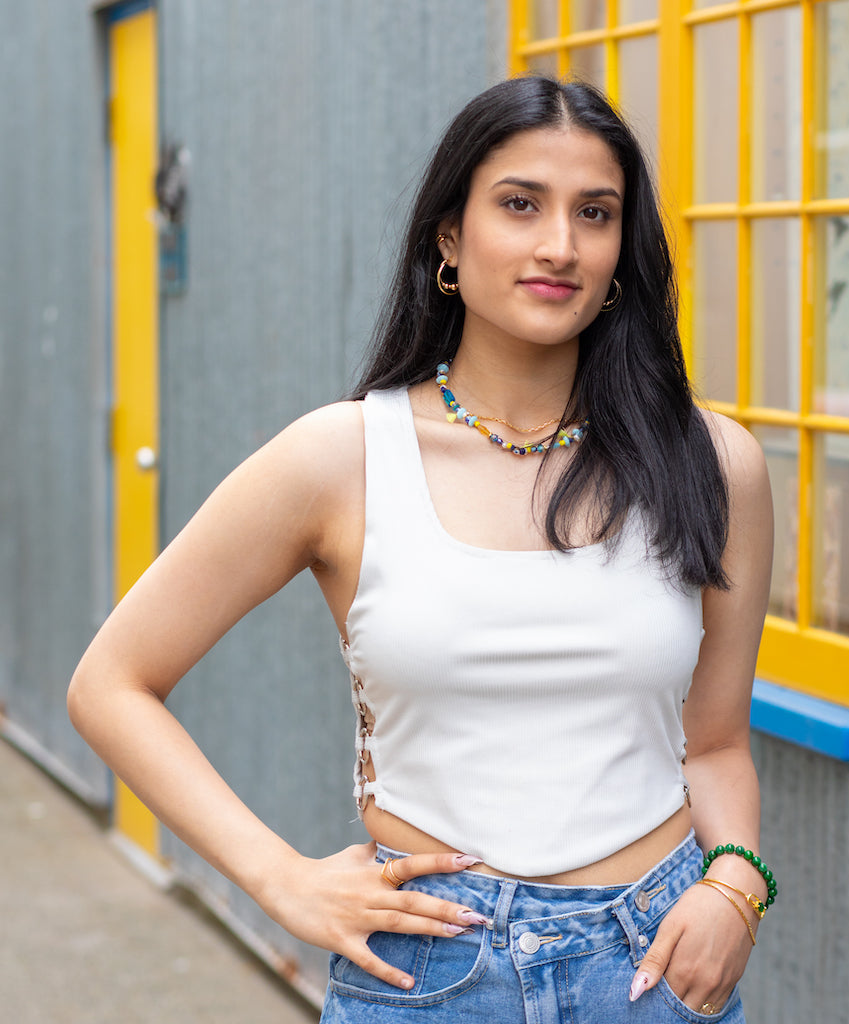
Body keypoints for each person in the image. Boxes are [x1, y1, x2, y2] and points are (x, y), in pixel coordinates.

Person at [69, 75, 774, 1023]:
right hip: (430, 976)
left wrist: (736, 887)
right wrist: (281, 880)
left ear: (621, 251)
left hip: (651, 969)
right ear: (450, 235)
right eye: (520, 204)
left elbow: (719, 742)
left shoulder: (714, 462)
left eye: (594, 213)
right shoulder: (342, 457)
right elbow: (111, 684)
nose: (559, 245)